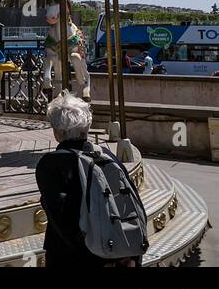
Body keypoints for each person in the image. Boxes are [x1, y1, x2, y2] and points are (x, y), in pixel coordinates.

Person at [35, 90, 142, 268]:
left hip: (74, 257)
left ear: (56, 133)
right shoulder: (106, 155)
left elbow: (62, 219)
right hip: (119, 249)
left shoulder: (51, 164)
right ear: (87, 127)